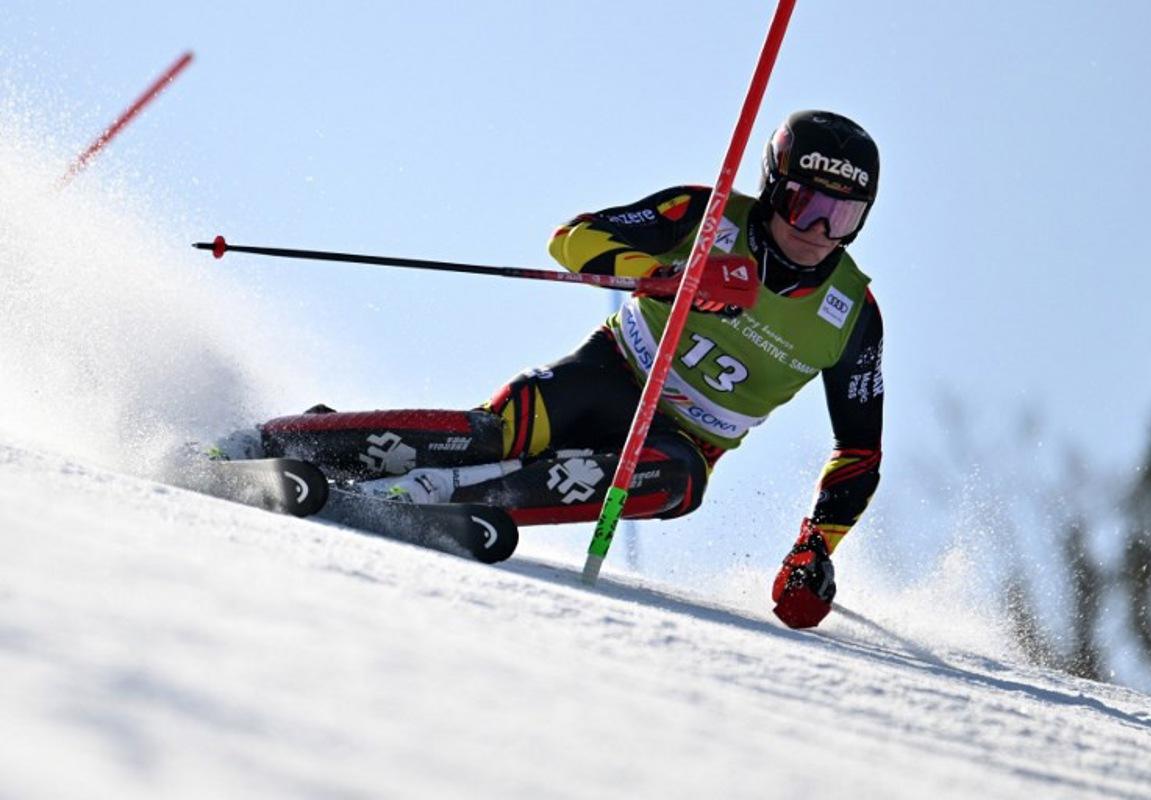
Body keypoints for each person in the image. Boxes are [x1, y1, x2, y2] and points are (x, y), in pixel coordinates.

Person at [221, 110, 884, 630]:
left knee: (677, 484)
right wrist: (668, 274)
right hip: (611, 373)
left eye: (842, 216)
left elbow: (858, 452)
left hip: (682, 438)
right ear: (772, 187)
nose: (818, 231)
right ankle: (274, 439)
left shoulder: (852, 314)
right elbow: (573, 237)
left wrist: (815, 547)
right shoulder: (706, 216)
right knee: (498, 433)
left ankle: (435, 497)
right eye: (804, 204)